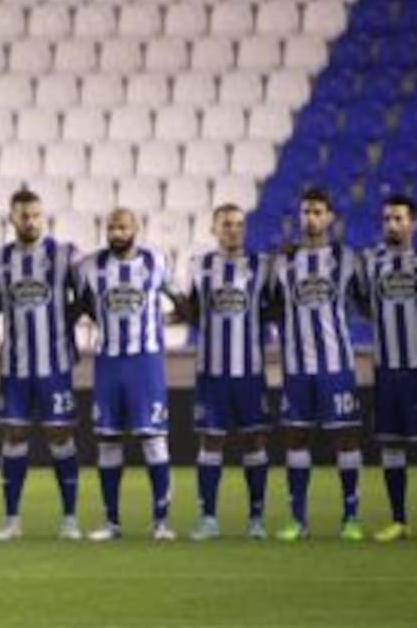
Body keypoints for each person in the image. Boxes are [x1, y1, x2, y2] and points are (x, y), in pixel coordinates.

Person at [0, 189, 82, 541]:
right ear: (12, 218)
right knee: (14, 435)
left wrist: (69, 323)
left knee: (60, 435)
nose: (31, 222)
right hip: (15, 366)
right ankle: (12, 520)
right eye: (24, 216)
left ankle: (70, 519)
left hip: (56, 365)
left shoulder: (65, 255)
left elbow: (86, 297)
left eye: (36, 215)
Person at [77, 208, 181, 541]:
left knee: (153, 439)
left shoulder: (156, 262)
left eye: (123, 227)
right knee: (108, 440)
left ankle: (161, 522)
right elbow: (82, 305)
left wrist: (164, 322)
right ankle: (112, 523)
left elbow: (181, 300)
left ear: (136, 229)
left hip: (145, 363)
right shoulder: (90, 267)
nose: (116, 233)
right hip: (108, 363)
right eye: (111, 227)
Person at [271, 187, 364, 541]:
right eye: (306, 212)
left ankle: (351, 517)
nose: (310, 218)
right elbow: (272, 306)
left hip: (336, 366)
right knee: (296, 438)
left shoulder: (346, 258)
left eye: (317, 212)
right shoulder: (283, 262)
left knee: (346, 439)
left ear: (330, 217)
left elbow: (365, 301)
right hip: (296, 367)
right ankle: (298, 520)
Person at [182, 205, 274, 541]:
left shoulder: (262, 266)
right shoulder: (199, 266)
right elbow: (192, 311)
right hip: (212, 372)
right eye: (226, 225)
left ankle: (256, 519)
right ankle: (208, 519)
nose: (233, 230)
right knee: (211, 440)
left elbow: (274, 308)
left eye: (238, 224)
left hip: (250, 371)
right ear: (214, 229)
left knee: (254, 440)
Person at [355, 194, 417, 542]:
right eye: (387, 219)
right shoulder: (371, 262)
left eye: (398, 219)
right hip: (388, 369)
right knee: (392, 445)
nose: (391, 225)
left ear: (412, 223)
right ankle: (399, 520)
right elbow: (364, 303)